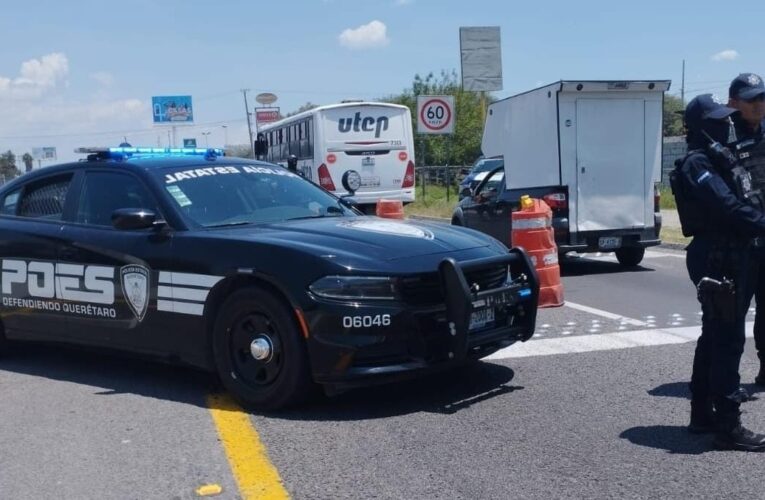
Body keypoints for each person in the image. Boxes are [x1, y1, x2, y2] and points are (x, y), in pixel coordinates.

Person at [672, 94, 765, 451]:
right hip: (714, 256)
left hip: (728, 253)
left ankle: (700, 414)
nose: (725, 124)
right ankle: (727, 425)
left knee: (713, 335)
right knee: (727, 339)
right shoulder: (697, 163)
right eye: (716, 120)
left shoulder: (716, 156)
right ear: (701, 126)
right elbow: (726, 206)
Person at [727, 73, 765, 387]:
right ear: (733, 103)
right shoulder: (723, 138)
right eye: (751, 99)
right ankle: (728, 379)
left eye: (762, 98)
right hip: (740, 243)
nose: (758, 105)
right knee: (732, 315)